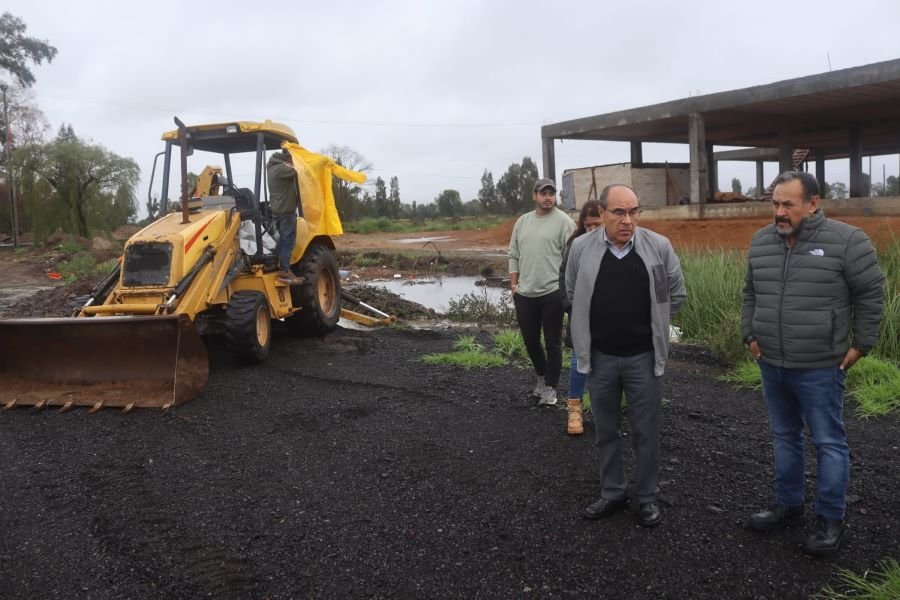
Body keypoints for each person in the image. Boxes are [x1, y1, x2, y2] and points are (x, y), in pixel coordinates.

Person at [742, 171, 885, 556]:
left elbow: (871, 294)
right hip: (772, 362)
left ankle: (830, 520)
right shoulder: (762, 241)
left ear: (813, 204)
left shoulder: (848, 241)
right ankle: (788, 506)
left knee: (828, 441)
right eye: (775, 204)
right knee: (784, 436)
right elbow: (750, 291)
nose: (780, 212)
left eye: (788, 204)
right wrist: (749, 333)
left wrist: (862, 344)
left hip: (821, 365)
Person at [566, 184, 685, 528]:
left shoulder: (658, 247)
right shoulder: (581, 249)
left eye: (634, 212)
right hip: (600, 358)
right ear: (602, 213)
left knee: (646, 431)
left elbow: (675, 295)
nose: (628, 220)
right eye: (619, 212)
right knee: (606, 430)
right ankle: (613, 492)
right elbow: (572, 292)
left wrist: (655, 322)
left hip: (643, 358)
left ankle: (647, 498)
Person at [508, 178, 575, 406]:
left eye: (551, 193)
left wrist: (566, 289)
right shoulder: (523, 221)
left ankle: (550, 388)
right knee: (530, 340)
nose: (548, 197)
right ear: (534, 196)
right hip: (524, 294)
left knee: (553, 342)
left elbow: (572, 257)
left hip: (552, 292)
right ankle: (541, 375)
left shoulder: (564, 222)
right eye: (543, 193)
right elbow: (513, 254)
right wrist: (514, 286)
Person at [559, 200, 603, 435]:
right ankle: (574, 410)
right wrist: (570, 306)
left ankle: (603, 409)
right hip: (580, 315)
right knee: (579, 360)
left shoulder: (616, 246)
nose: (592, 230)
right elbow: (563, 278)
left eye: (597, 224)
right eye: (588, 225)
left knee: (606, 362)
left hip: (608, 317)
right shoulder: (575, 245)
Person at [267, 149, 304, 285]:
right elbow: (300, 170)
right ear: (288, 157)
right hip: (285, 212)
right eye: (292, 158)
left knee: (282, 240)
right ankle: (284, 270)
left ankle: (273, 264)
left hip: (278, 210)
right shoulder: (280, 169)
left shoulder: (273, 167)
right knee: (288, 241)